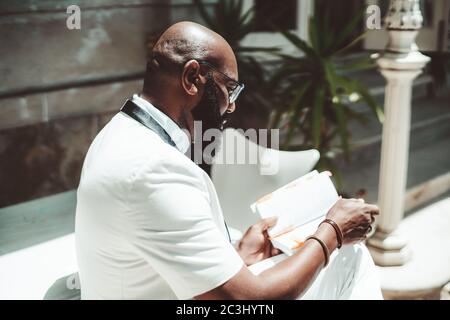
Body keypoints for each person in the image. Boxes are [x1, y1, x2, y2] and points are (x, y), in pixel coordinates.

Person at [75, 21, 382, 300]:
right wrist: (333, 230)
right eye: (230, 89)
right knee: (350, 258)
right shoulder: (153, 170)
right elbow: (248, 302)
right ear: (192, 78)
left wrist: (235, 255)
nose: (231, 107)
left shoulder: (118, 132)